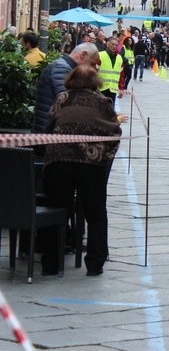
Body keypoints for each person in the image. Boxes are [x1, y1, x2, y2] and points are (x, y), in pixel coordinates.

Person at [39, 65, 123, 276]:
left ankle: (50, 263)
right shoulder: (103, 102)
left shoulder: (62, 99)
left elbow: (48, 129)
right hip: (90, 163)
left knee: (56, 210)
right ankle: (95, 264)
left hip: (60, 162)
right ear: (96, 82)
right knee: (95, 214)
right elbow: (114, 129)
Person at [32, 43, 100, 133]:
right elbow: (69, 100)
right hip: (50, 135)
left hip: (50, 131)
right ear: (83, 55)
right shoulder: (61, 69)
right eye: (92, 64)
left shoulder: (64, 67)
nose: (92, 68)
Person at [98, 36, 123, 104]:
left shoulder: (119, 58)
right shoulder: (100, 55)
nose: (114, 46)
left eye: (116, 45)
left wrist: (121, 89)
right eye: (112, 44)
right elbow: (94, 71)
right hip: (100, 89)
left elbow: (121, 75)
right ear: (107, 44)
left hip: (112, 89)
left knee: (110, 111)